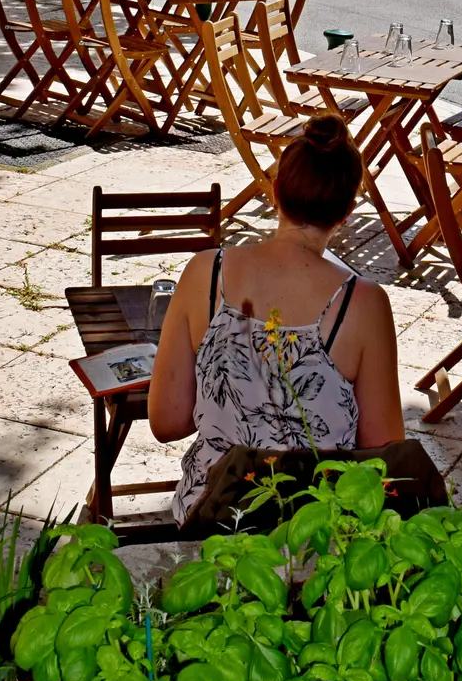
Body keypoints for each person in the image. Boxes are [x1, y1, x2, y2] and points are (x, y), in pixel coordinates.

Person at [148, 113, 405, 525]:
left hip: (210, 522)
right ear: (347, 212)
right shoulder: (363, 303)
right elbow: (384, 455)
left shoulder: (205, 272)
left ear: (274, 192)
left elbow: (166, 421)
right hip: (316, 530)